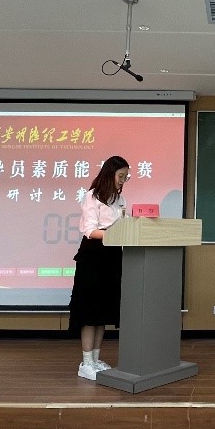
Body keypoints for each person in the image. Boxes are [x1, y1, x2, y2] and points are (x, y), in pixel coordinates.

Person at [70, 155, 130, 381]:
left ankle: (95, 359)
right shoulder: (92, 196)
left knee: (103, 310)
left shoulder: (119, 200)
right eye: (120, 176)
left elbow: (123, 224)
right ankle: (86, 363)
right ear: (109, 174)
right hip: (94, 255)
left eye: (126, 177)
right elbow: (90, 230)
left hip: (112, 255)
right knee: (90, 310)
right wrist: (114, 234)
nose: (123, 181)